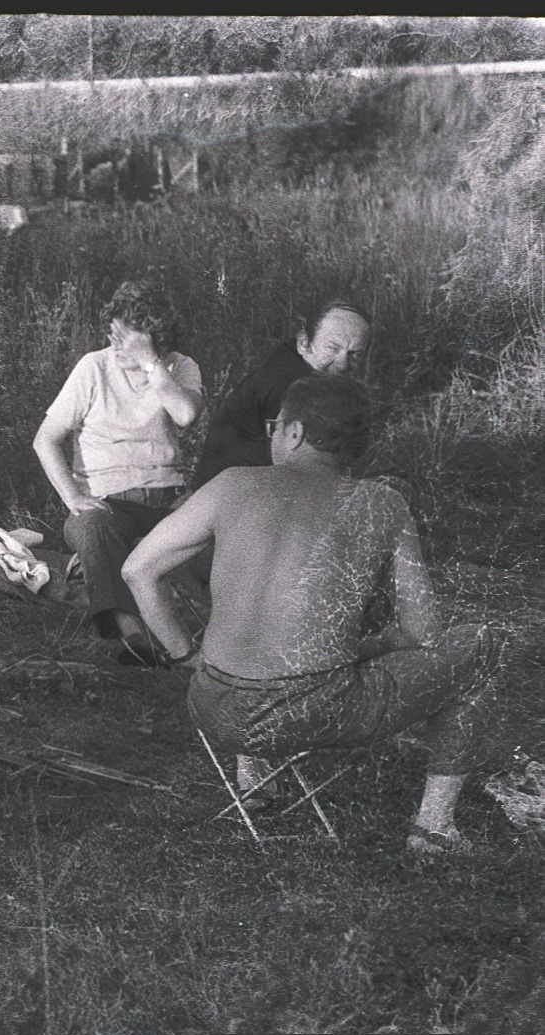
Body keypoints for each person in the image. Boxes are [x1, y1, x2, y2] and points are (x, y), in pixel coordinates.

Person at [122, 374, 507, 857]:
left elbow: (139, 569)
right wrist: (377, 644)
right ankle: (433, 828)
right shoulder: (382, 502)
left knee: (266, 624)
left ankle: (256, 775)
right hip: (311, 712)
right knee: (479, 643)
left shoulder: (230, 486)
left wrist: (185, 656)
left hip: (213, 704)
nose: (273, 436)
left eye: (275, 427)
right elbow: (423, 631)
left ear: (296, 432)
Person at [32, 279, 205, 665]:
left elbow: (186, 414)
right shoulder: (93, 367)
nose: (117, 347)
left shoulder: (180, 367)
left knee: (214, 519)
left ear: (155, 340)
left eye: (128, 339)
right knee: (92, 528)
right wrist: (73, 498)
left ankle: (223, 629)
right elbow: (45, 440)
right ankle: (133, 638)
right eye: (114, 336)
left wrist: (150, 363)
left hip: (168, 499)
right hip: (109, 504)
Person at [191, 298, 371, 488]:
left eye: (355, 354)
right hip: (233, 500)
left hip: (249, 489)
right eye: (332, 348)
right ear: (303, 343)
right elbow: (295, 465)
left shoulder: (297, 369)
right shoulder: (288, 384)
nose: (342, 364)